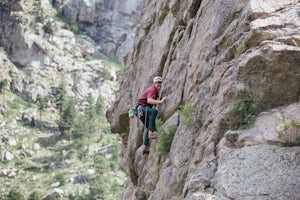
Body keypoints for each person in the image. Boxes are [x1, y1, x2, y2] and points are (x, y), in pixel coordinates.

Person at [135, 76, 167, 154]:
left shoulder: (155, 91)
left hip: (139, 111)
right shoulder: (152, 89)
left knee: (149, 127)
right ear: (154, 84)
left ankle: (146, 147)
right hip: (141, 108)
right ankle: (151, 133)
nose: (159, 86)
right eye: (157, 84)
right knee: (154, 112)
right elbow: (149, 100)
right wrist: (161, 101)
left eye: (160, 84)